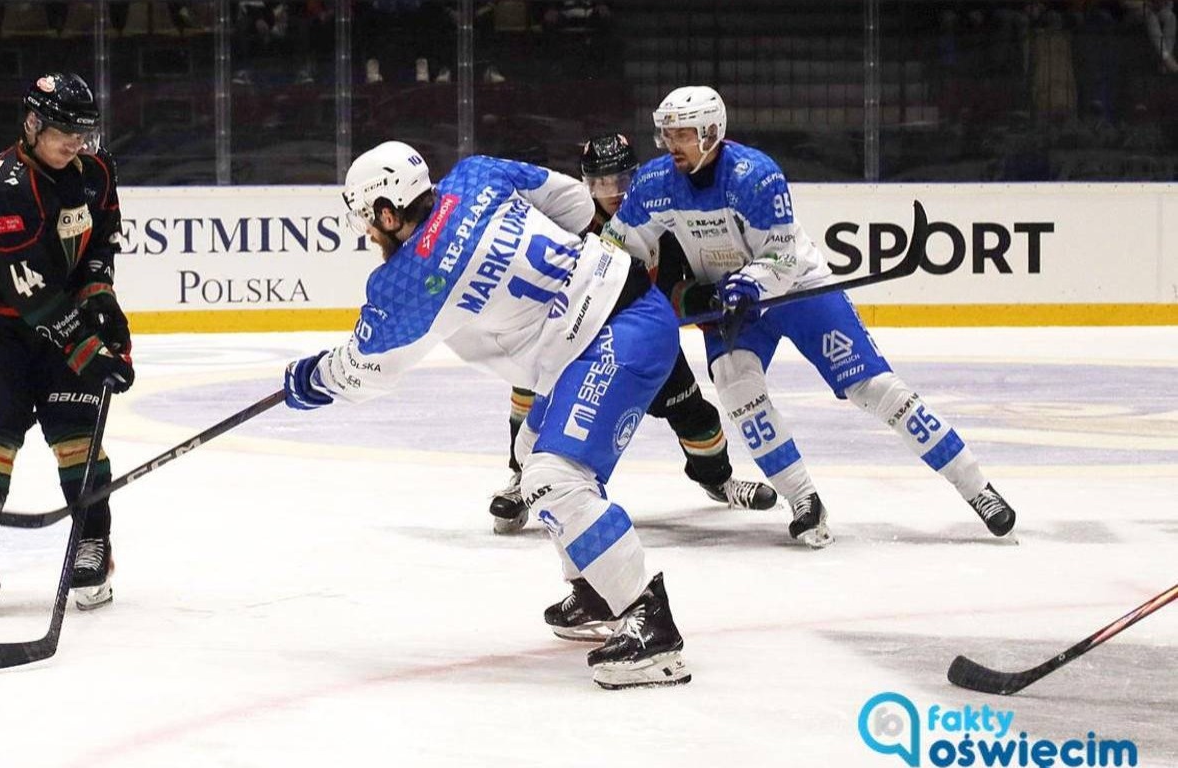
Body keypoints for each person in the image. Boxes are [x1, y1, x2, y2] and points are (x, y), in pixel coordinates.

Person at [282, 140, 691, 690]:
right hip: (616, 318)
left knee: (555, 480)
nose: (369, 235)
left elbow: (366, 370)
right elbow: (571, 200)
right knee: (529, 455)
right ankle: (597, 590)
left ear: (387, 211)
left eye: (367, 221)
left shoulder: (405, 281)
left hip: (618, 338)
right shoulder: (476, 176)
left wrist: (312, 378)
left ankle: (651, 624)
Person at [604, 86, 1017, 548]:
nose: (671, 143)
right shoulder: (654, 184)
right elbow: (619, 248)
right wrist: (613, 288)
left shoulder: (755, 176)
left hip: (797, 290)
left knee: (877, 390)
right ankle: (804, 501)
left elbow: (781, 256)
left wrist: (751, 283)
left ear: (712, 132)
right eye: (667, 134)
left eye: (683, 134)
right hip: (730, 304)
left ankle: (977, 489)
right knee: (741, 396)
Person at [488, 132, 776, 535]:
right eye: (602, 184)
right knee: (529, 391)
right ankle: (522, 478)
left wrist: (712, 297)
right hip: (578, 342)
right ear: (586, 184)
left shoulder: (659, 221)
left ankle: (719, 480)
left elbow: (678, 289)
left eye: (622, 181)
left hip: (643, 337)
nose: (614, 193)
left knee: (694, 415)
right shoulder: (564, 230)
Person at [0, 72, 133, 615]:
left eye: (83, 133)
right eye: (63, 133)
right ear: (32, 125)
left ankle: (92, 542)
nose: (76, 144)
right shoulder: (5, 187)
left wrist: (103, 304)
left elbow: (102, 239)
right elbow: (33, 295)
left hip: (64, 313)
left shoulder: (97, 170)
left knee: (78, 438)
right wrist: (88, 351)